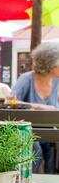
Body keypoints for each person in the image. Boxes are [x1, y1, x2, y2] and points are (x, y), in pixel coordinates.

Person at [12, 42, 59, 174]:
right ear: (50, 62)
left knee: (52, 150)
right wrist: (40, 106)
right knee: (35, 150)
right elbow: (10, 101)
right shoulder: (27, 78)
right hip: (28, 130)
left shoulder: (56, 80)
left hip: (52, 129)